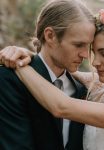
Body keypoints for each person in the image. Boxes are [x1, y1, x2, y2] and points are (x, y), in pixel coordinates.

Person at [1, 9, 104, 150]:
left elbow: (62, 107)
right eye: (94, 53)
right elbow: (54, 66)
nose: (94, 62)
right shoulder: (97, 86)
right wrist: (26, 54)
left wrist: (20, 66)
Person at [0, 0, 95, 150]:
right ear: (50, 36)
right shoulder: (8, 79)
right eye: (78, 45)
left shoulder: (82, 88)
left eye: (88, 46)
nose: (85, 54)